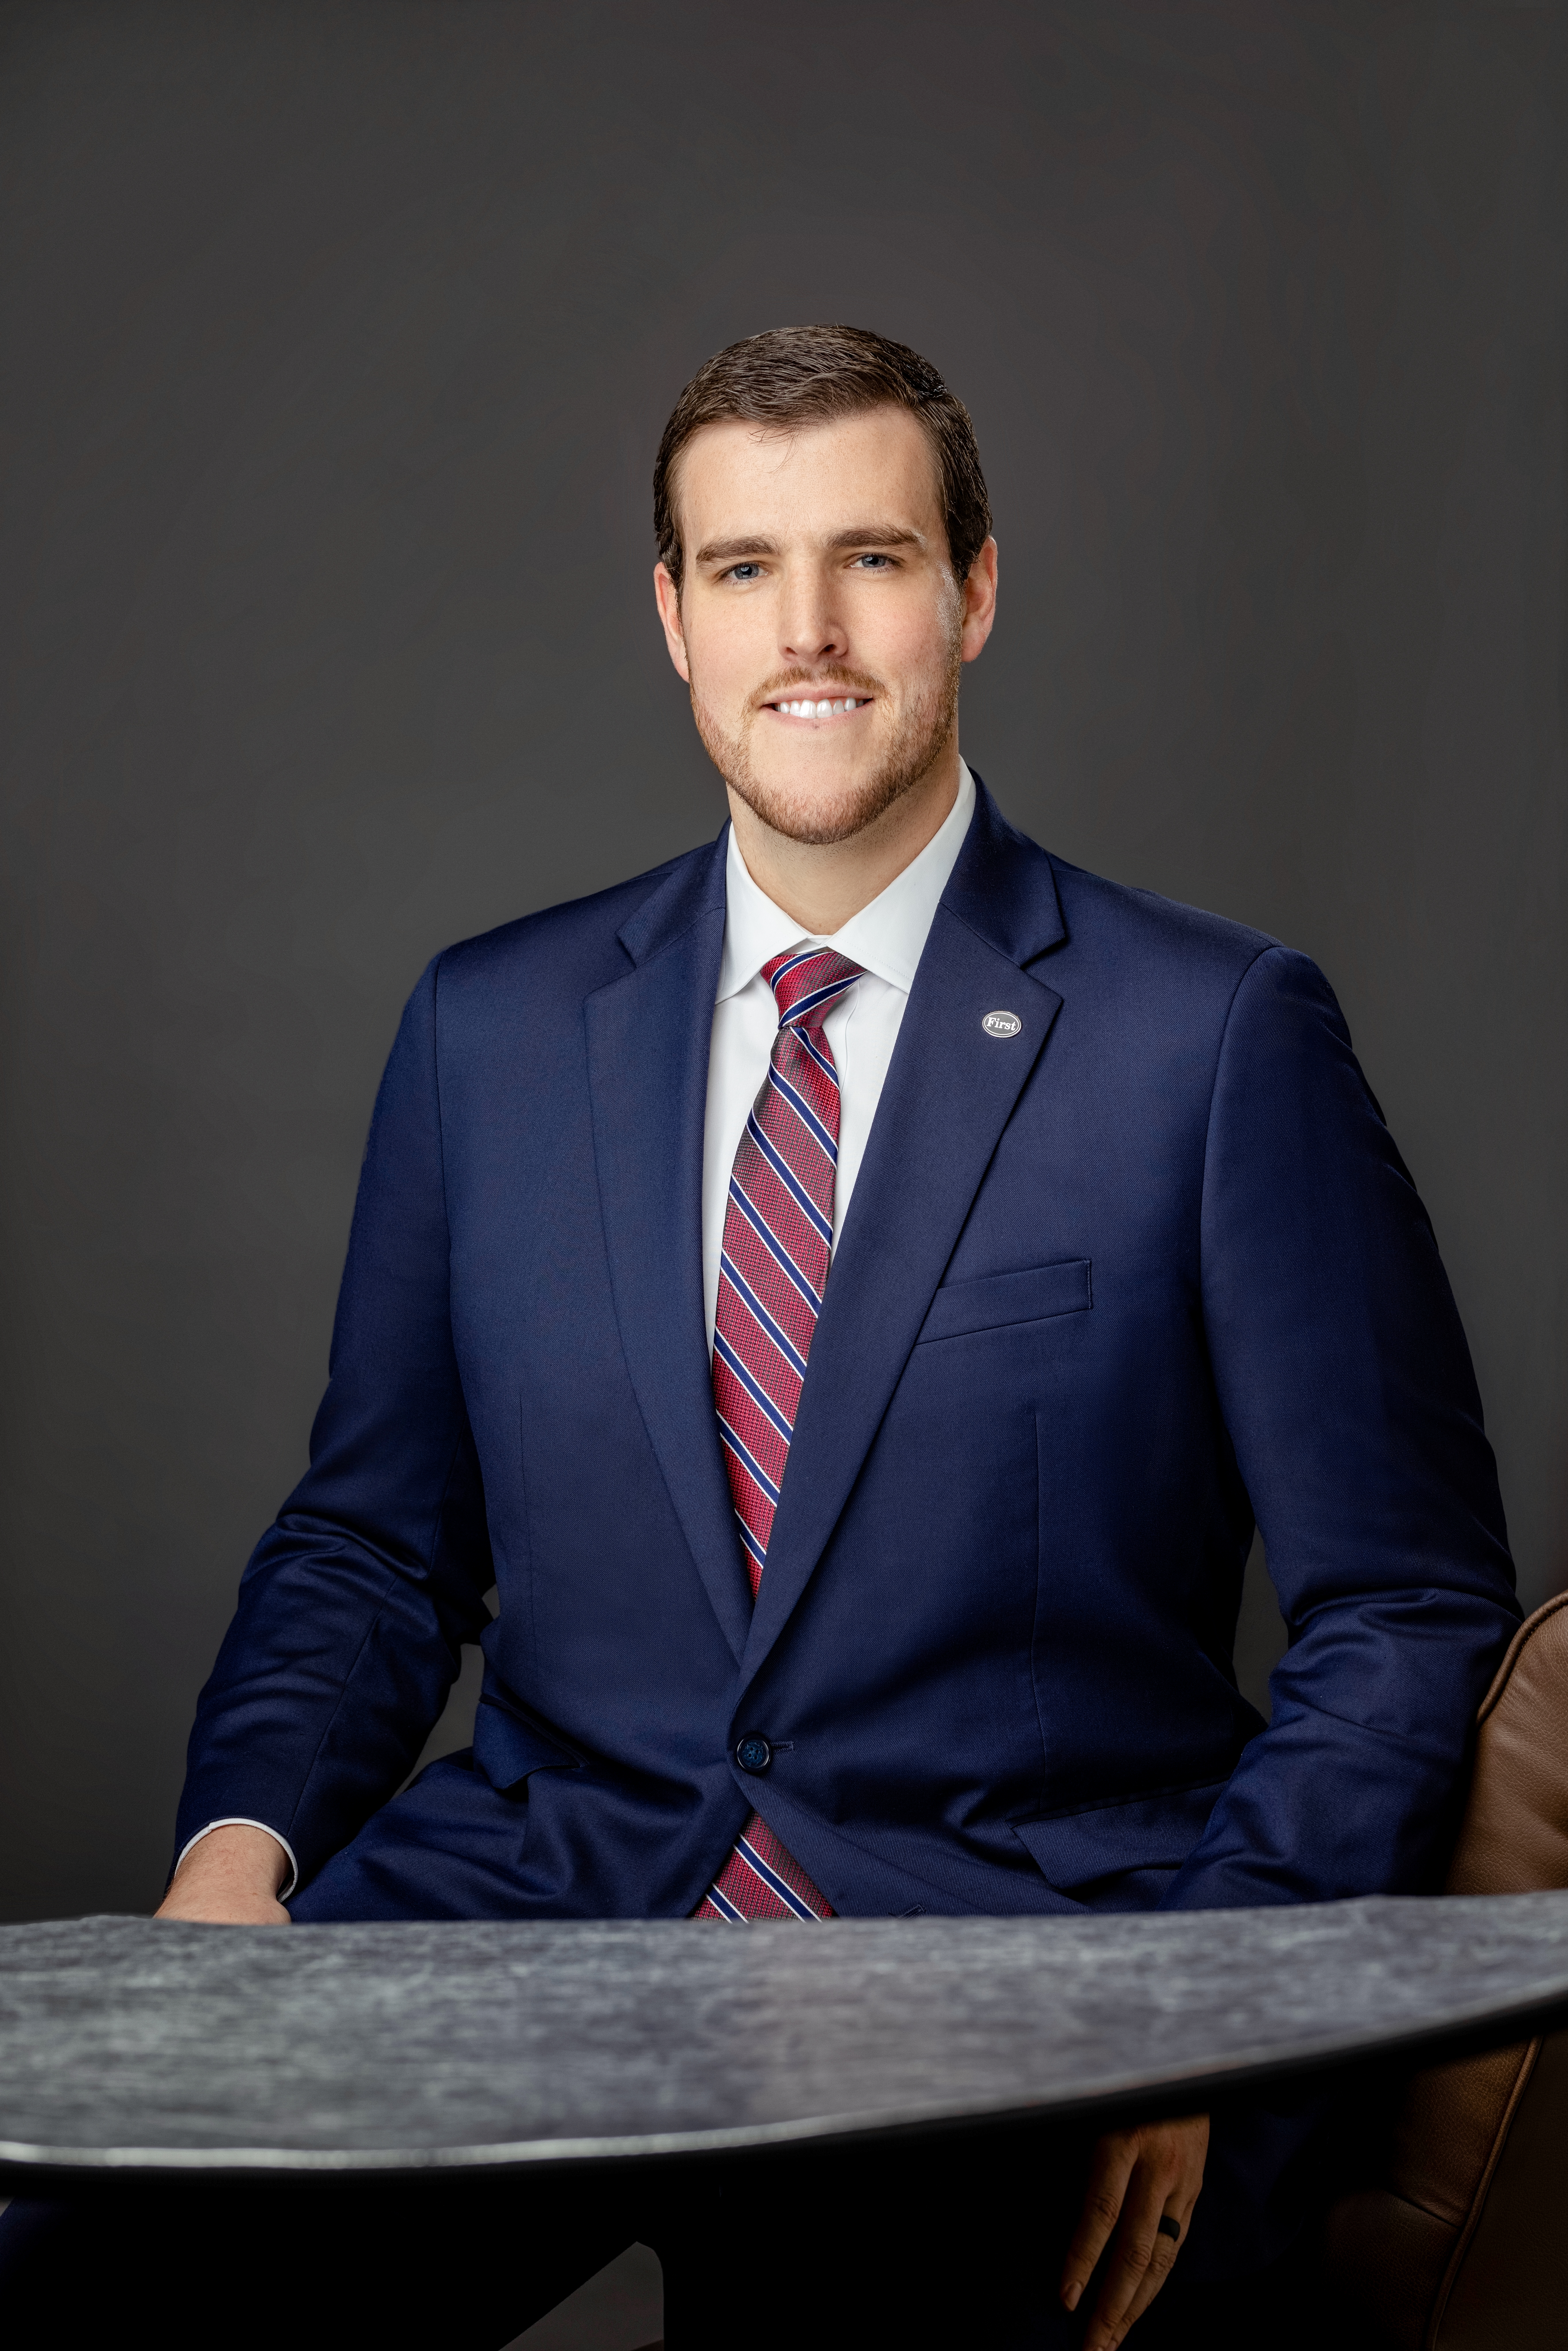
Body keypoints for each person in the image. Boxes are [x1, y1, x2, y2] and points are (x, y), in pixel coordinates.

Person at [0, 326, 1516, 2348]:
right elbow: (372, 1542)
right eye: (740, 570)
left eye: (872, 559)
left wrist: (1206, 2016)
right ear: (671, 618)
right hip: (537, 1917)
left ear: (973, 590)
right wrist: (229, 1867)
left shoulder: (1212, 1037)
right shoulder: (491, 1030)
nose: (807, 630)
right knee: (76, 2279)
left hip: (1010, 1980)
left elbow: (1402, 1603)